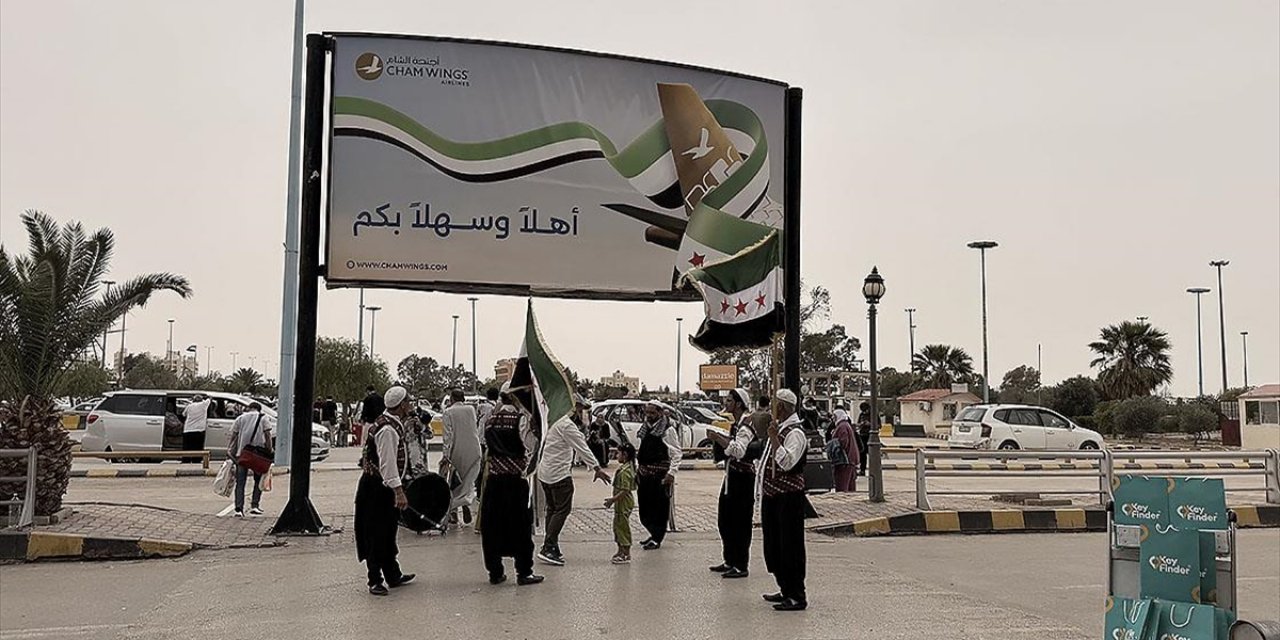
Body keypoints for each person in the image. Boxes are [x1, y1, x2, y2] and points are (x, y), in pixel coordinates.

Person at [478, 385, 544, 586]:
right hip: (515, 482)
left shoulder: (488, 421)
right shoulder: (521, 421)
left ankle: (495, 572)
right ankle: (524, 571)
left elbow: (483, 441)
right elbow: (531, 447)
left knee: (491, 528)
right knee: (521, 527)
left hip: (494, 481)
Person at [354, 386, 416, 596]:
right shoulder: (387, 430)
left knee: (388, 532)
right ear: (401, 405)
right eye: (409, 402)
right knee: (377, 533)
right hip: (378, 489)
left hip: (380, 486)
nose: (411, 405)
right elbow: (387, 464)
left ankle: (393, 574)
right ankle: (375, 579)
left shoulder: (388, 423)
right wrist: (398, 491)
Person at [536, 396, 610, 566]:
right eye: (578, 408)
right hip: (559, 474)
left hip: (546, 472)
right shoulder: (566, 425)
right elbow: (582, 447)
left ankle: (552, 546)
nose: (580, 412)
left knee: (553, 510)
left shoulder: (553, 419)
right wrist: (597, 468)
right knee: (562, 510)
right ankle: (548, 547)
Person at [704, 388, 766, 579]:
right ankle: (729, 559)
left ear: (738, 403)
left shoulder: (746, 426)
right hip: (732, 477)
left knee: (740, 522)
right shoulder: (737, 425)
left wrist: (718, 439)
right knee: (726, 520)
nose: (726, 403)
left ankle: (740, 564)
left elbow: (738, 450)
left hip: (742, 479)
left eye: (729, 400)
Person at [759, 389, 808, 611]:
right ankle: (784, 587)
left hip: (788, 497)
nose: (771, 409)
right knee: (774, 545)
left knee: (790, 546)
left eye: (774, 405)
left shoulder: (794, 433)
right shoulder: (779, 429)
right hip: (772, 496)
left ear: (782, 407)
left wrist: (774, 440)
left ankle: (796, 594)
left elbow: (787, 463)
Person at [635, 401, 682, 551]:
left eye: (652, 413)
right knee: (645, 508)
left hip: (659, 476)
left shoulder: (667, 430)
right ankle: (652, 533)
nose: (649, 416)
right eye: (647, 413)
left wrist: (671, 473)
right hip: (644, 474)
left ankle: (657, 537)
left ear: (660, 413)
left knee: (658, 508)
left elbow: (676, 453)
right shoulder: (645, 428)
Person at [441, 389, 482, 526]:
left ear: (451, 399)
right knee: (468, 482)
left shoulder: (448, 412)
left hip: (457, 451)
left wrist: (446, 456)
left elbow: (448, 436)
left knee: (454, 482)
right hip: (474, 450)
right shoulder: (471, 409)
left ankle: (453, 512)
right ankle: (466, 504)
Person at [227, 401, 272, 518]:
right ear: (259, 409)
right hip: (258, 455)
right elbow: (267, 435)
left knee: (240, 482)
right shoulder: (264, 418)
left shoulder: (240, 418)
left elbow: (234, 435)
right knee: (258, 480)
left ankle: (238, 508)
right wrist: (269, 449)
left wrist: (230, 450)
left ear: (249, 408)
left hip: (242, 454)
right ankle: (254, 505)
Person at [603, 443, 637, 565]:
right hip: (620, 501)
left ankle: (626, 553)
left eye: (618, 453)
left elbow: (625, 490)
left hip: (623, 502)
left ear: (625, 455)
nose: (617, 456)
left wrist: (613, 500)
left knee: (623, 526)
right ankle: (620, 550)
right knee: (617, 525)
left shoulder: (625, 471)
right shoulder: (625, 468)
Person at [828, 408, 859, 492]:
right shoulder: (845, 425)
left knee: (842, 484)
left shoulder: (842, 426)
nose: (833, 419)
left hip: (845, 460)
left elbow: (843, 442)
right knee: (850, 485)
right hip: (850, 458)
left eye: (834, 416)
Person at [182, 394, 212, 463]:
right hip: (199, 430)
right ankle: (196, 461)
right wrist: (206, 397)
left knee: (187, 447)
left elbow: (183, 414)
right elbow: (210, 398)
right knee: (197, 447)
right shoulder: (204, 404)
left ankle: (186, 461)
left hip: (188, 429)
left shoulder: (189, 406)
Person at [855, 401, 872, 476]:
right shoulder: (861, 415)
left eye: (865, 410)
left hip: (870, 436)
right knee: (862, 454)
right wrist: (860, 424)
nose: (864, 412)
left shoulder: (873, 415)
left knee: (872, 454)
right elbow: (858, 423)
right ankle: (862, 470)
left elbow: (879, 425)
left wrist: (870, 424)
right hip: (862, 435)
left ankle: (873, 469)